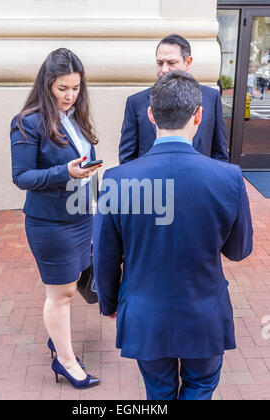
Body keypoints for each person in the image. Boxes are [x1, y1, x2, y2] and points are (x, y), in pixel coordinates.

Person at [93, 70, 253, 400]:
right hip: (204, 312)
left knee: (160, 391)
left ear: (151, 115)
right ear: (198, 115)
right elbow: (239, 251)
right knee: (200, 386)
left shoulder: (117, 180)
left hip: (144, 313)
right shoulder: (228, 178)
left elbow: (105, 255)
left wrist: (109, 302)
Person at [10, 48, 101, 389]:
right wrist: (65, 172)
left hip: (81, 218)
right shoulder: (27, 123)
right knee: (60, 293)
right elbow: (22, 177)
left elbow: (82, 164)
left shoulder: (75, 116)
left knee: (72, 282)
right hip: (50, 224)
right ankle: (65, 362)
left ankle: (57, 340)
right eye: (63, 88)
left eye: (76, 88)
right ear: (47, 84)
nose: (70, 95)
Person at [119, 34, 228, 164]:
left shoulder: (211, 98)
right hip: (154, 183)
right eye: (160, 63)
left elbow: (219, 153)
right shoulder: (135, 102)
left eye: (171, 62)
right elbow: (127, 159)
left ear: (188, 62)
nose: (164, 69)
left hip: (199, 182)